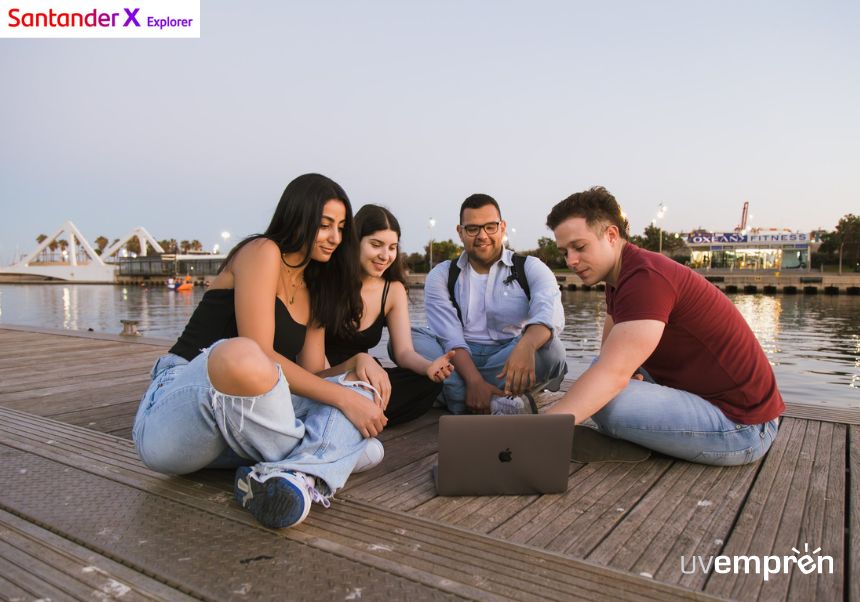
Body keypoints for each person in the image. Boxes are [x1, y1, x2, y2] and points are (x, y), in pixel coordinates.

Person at [133, 173, 391, 530]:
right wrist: (343, 401)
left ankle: (282, 477)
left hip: (239, 428)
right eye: (325, 224)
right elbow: (263, 353)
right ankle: (318, 461)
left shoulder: (317, 285)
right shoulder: (262, 251)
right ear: (298, 217)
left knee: (364, 395)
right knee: (242, 356)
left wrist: (357, 362)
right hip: (184, 408)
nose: (335, 237)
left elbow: (313, 374)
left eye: (342, 227)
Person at [545, 186, 783, 465]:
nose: (571, 261)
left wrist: (540, 431)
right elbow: (608, 360)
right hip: (709, 399)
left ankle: (634, 436)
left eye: (580, 247)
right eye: (565, 252)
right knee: (600, 378)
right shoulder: (619, 278)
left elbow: (610, 377)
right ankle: (643, 437)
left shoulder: (646, 278)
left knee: (608, 402)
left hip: (744, 427)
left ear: (611, 236)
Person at [412, 193, 568, 415]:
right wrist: (474, 380)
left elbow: (548, 312)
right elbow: (450, 336)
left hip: (509, 355)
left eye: (490, 227)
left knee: (553, 351)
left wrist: (527, 345)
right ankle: (489, 398)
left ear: (502, 227)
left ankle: (455, 394)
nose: (482, 235)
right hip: (458, 356)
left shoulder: (530, 268)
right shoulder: (442, 274)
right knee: (406, 342)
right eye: (473, 228)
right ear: (460, 232)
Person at [326, 204, 455, 425]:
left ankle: (359, 414)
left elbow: (404, 352)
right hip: (326, 377)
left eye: (392, 247)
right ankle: (355, 414)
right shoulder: (327, 282)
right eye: (376, 245)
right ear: (355, 242)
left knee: (426, 384)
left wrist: (429, 367)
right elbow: (312, 367)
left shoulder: (392, 290)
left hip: (365, 378)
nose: (385, 256)